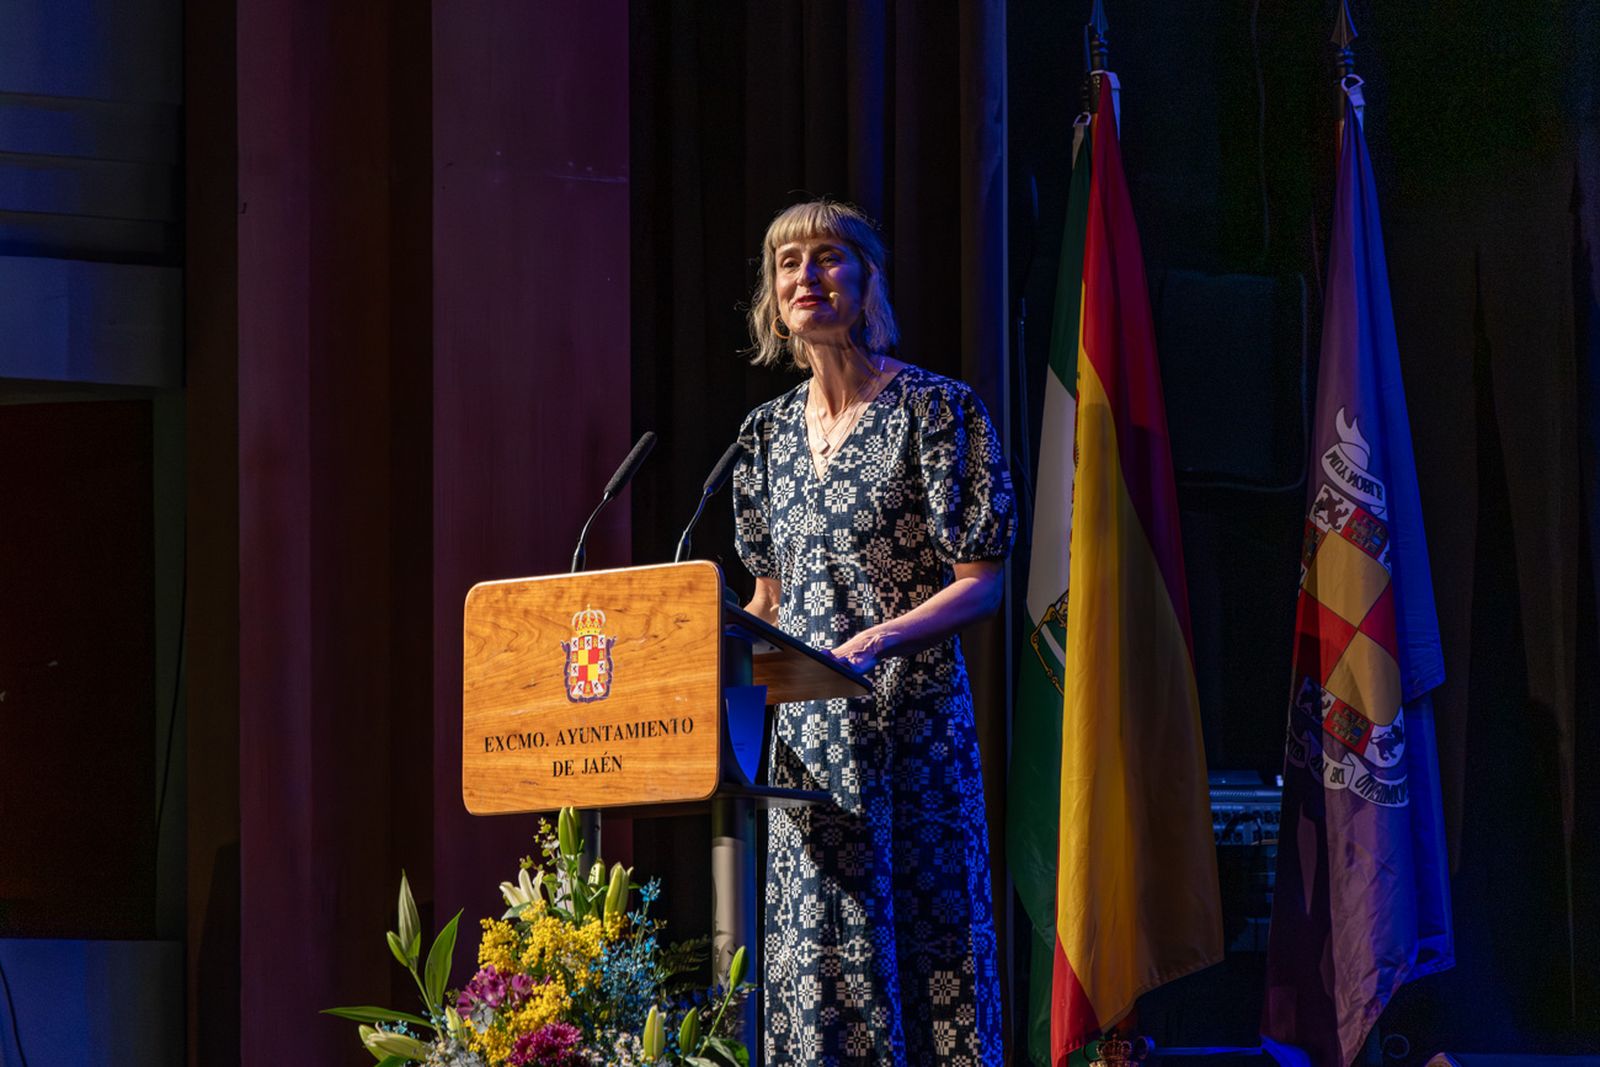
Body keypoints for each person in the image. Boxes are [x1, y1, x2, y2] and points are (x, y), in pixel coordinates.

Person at [731, 199, 1015, 1066]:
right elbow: (767, 600)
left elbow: (984, 580)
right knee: (817, 962)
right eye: (789, 264)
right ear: (772, 297)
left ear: (867, 279)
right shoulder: (765, 435)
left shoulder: (937, 411)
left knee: (925, 954)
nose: (806, 278)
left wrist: (883, 637)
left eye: (827, 259)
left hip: (911, 732)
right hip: (806, 746)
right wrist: (687, 655)